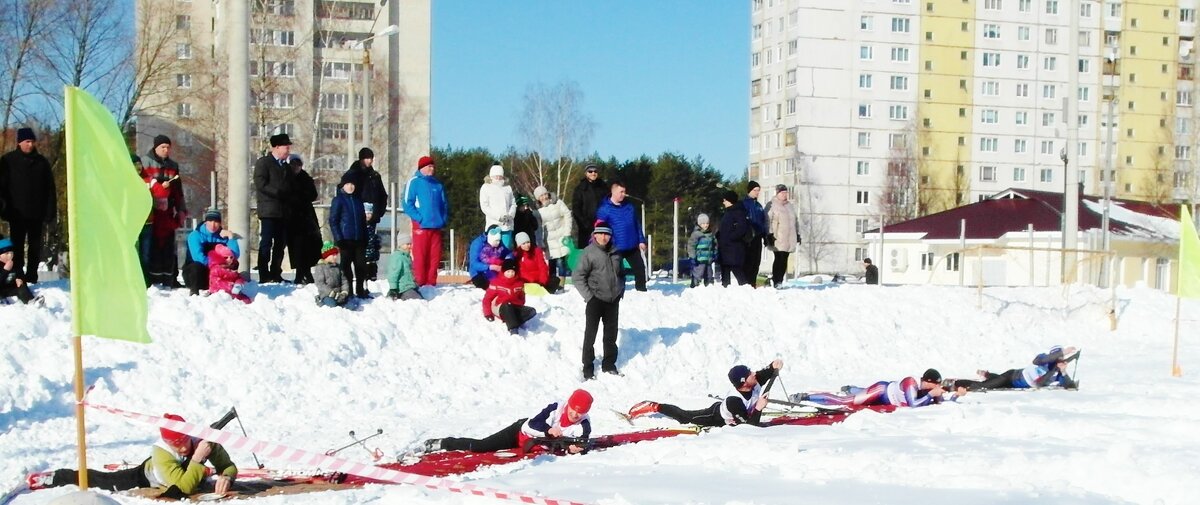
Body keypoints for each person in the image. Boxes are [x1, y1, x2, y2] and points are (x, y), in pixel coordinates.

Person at [29, 413, 237, 495]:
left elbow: (229, 466)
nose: (182, 447)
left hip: (183, 471)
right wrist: (198, 459)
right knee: (101, 480)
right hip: (147, 476)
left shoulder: (201, 440)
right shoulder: (162, 452)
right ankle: (56, 477)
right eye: (175, 444)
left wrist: (227, 476)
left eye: (184, 441)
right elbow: (181, 488)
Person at [423, 390, 593, 455]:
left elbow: (582, 442)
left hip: (534, 446)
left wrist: (574, 449)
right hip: (519, 432)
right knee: (481, 447)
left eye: (580, 412)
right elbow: (530, 424)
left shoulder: (584, 424)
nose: (575, 414)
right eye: (573, 409)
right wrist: (549, 430)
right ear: (568, 404)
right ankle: (444, 443)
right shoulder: (555, 407)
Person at [627, 360, 784, 427]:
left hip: (734, 413)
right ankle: (654, 406)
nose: (754, 374)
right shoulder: (734, 401)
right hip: (716, 417)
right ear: (743, 382)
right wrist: (758, 408)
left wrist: (773, 365)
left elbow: (767, 372)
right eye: (750, 373)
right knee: (684, 417)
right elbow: (749, 427)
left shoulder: (754, 382)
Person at [0, 127, 56, 284]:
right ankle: (17, 274)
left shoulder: (42, 163)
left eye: (32, 142)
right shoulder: (8, 161)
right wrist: (4, 209)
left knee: (35, 246)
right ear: (19, 142)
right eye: (27, 142)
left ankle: (32, 275)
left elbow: (50, 189)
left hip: (36, 213)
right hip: (16, 213)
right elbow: (2, 187)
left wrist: (50, 212)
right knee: (16, 246)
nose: (30, 145)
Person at [572, 221, 624, 380]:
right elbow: (577, 277)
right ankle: (588, 367)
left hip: (612, 300)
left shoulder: (616, 252)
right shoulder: (588, 253)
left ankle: (609, 365)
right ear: (594, 235)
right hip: (595, 300)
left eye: (607, 234)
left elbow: (621, 273)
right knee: (590, 335)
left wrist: (621, 290)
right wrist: (589, 297)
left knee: (610, 335)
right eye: (600, 233)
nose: (604, 237)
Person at [141, 134, 186, 287]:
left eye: (168, 147)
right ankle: (151, 280)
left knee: (168, 246)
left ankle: (170, 278)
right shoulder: (144, 162)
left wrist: (181, 210)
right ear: (156, 147)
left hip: (167, 212)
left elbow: (178, 191)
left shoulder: (173, 165)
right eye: (163, 147)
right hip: (150, 213)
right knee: (151, 248)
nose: (166, 150)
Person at [252, 133, 294, 283]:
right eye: (286, 147)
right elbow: (260, 183)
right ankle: (264, 274)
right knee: (266, 242)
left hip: (283, 212)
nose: (288, 150)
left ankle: (276, 272)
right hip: (269, 210)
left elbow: (291, 188)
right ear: (276, 147)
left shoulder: (286, 167)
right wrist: (278, 193)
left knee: (280, 244)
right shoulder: (264, 163)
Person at [952, 346, 1080, 394]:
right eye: (1058, 355)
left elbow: (1070, 386)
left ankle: (988, 374)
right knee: (982, 386)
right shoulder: (1041, 359)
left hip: (1012, 384)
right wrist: (1063, 352)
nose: (1060, 358)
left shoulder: (1055, 372)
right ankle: (954, 384)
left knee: (995, 383)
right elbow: (1047, 359)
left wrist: (1062, 371)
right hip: (1011, 376)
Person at [792, 369, 947, 408]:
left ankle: (852, 388)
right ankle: (805, 397)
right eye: (935, 384)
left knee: (861, 392)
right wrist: (932, 394)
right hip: (881, 390)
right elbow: (914, 404)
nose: (937, 387)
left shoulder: (926, 388)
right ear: (928, 382)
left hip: (886, 393)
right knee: (847, 401)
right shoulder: (911, 383)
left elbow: (937, 403)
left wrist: (937, 396)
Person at [403, 155, 448, 287]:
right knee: (420, 256)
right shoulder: (414, 182)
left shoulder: (437, 184)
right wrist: (418, 218)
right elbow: (407, 203)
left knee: (434, 257)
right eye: (429, 166)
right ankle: (420, 282)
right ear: (422, 167)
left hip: (436, 227)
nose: (432, 169)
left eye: (433, 166)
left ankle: (431, 283)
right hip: (421, 226)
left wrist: (443, 219)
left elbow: (444, 204)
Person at [595, 180, 648, 292]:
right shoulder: (604, 210)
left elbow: (636, 224)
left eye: (624, 192)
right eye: (621, 192)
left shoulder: (629, 207)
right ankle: (614, 291)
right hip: (615, 246)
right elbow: (599, 229)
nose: (623, 194)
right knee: (616, 271)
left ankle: (642, 290)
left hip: (632, 245)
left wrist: (641, 241)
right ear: (613, 192)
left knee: (640, 268)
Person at [343, 147, 387, 280]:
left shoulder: (375, 176)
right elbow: (345, 192)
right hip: (356, 216)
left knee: (371, 244)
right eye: (366, 158)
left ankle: (371, 272)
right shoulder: (352, 174)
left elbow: (382, 195)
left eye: (371, 158)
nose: (369, 161)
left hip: (372, 216)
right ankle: (356, 273)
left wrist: (378, 213)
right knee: (358, 246)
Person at [329, 173, 369, 298]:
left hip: (359, 239)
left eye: (352, 184)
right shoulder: (338, 200)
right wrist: (339, 238)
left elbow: (363, 221)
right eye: (348, 184)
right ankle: (348, 290)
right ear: (343, 186)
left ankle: (360, 289)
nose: (350, 187)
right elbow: (333, 220)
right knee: (346, 266)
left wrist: (365, 236)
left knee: (361, 265)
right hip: (345, 239)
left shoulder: (358, 201)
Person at [182, 209, 239, 296]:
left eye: (216, 222)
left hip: (215, 273)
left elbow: (234, 255)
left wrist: (231, 237)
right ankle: (194, 292)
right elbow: (198, 257)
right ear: (205, 222)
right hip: (196, 274)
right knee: (196, 266)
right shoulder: (195, 235)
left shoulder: (222, 237)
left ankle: (229, 288)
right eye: (210, 221)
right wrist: (216, 266)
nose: (213, 225)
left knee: (234, 264)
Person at [285, 154, 321, 285]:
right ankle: (301, 274)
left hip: (306, 217)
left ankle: (306, 272)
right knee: (296, 247)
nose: (296, 167)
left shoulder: (306, 178)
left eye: (298, 165)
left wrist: (300, 196)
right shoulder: (286, 178)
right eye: (293, 165)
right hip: (291, 217)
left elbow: (313, 194)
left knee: (309, 246)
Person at [483, 258, 537, 334]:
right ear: (503, 271)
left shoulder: (519, 283)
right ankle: (513, 329)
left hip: (514, 307)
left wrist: (519, 305)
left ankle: (513, 319)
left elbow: (522, 297)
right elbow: (487, 299)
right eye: (508, 271)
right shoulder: (496, 282)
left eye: (512, 271)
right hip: (500, 307)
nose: (510, 274)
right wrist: (488, 313)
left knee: (531, 311)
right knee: (507, 305)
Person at [533, 185, 571, 289]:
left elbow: (567, 214)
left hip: (561, 235)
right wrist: (540, 242)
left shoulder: (557, 202)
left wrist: (567, 232)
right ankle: (552, 284)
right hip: (549, 240)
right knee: (552, 262)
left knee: (561, 261)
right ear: (538, 198)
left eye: (545, 194)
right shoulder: (537, 211)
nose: (544, 197)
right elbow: (538, 228)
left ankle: (561, 284)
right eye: (541, 196)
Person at [764, 184, 798, 288]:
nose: (785, 195)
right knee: (779, 257)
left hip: (789, 237)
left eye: (786, 193)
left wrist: (798, 233)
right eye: (782, 193)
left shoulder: (790, 206)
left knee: (785, 259)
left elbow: (795, 221)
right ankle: (776, 280)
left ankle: (780, 280)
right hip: (777, 237)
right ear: (777, 193)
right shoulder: (772, 205)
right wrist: (768, 234)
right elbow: (767, 221)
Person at [716, 190, 750, 287]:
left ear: (730, 200)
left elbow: (742, 228)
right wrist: (719, 235)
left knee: (737, 269)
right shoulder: (729, 212)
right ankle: (725, 288)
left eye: (725, 200)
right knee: (725, 269)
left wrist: (730, 237)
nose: (723, 202)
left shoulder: (737, 212)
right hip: (726, 247)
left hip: (734, 247)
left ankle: (746, 289)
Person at [479, 163, 516, 249]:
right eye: (496, 176)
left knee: (506, 250)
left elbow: (513, 203)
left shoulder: (508, 188)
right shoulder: (486, 187)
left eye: (500, 176)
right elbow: (485, 206)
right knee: (493, 250)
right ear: (491, 176)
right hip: (493, 225)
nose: (498, 178)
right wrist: (498, 217)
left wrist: (510, 215)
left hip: (507, 225)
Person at [570, 164, 607, 249]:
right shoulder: (580, 189)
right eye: (590, 171)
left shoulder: (603, 187)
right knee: (588, 253)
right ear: (586, 173)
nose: (593, 173)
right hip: (586, 228)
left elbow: (608, 203)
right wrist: (585, 223)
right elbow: (576, 209)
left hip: (603, 225)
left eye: (595, 171)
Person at [467, 225, 512, 289]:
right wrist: (489, 267)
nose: (498, 242)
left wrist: (508, 260)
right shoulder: (477, 243)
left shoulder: (498, 241)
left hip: (495, 270)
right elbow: (474, 264)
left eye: (499, 240)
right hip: (478, 273)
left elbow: (507, 252)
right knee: (491, 287)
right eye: (496, 241)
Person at [742, 181, 767, 287]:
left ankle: (752, 282)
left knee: (756, 261)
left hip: (758, 237)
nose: (757, 192)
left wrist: (765, 235)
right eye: (755, 190)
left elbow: (763, 221)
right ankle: (746, 283)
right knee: (748, 261)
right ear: (749, 191)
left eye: (758, 190)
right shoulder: (744, 204)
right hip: (748, 238)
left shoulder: (759, 206)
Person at [313, 242, 351, 307]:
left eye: (336, 254)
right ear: (327, 256)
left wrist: (344, 292)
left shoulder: (338, 267)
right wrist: (331, 293)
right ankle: (320, 300)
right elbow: (320, 284)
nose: (335, 257)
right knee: (333, 305)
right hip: (327, 294)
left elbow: (344, 281)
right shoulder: (320, 267)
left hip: (339, 294)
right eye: (333, 255)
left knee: (350, 305)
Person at [0, 237, 36, 303]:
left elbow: (21, 276)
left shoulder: (16, 264)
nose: (10, 255)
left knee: (23, 289)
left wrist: (20, 281)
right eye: (7, 253)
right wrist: (5, 270)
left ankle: (31, 301)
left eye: (11, 253)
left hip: (11, 289)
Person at [386, 235, 423, 300]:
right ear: (401, 245)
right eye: (407, 244)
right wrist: (393, 288)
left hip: (410, 286)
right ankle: (398, 296)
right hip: (403, 288)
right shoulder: (397, 257)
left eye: (410, 244)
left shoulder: (407, 257)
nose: (410, 246)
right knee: (418, 301)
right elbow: (393, 273)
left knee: (422, 299)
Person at [687, 213, 717, 287]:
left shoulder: (710, 234)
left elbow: (715, 245)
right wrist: (692, 256)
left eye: (707, 223)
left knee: (709, 274)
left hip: (709, 259)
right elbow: (691, 246)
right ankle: (694, 285)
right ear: (699, 224)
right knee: (698, 273)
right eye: (703, 224)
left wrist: (715, 253)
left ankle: (709, 285)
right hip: (699, 259)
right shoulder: (696, 234)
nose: (705, 225)